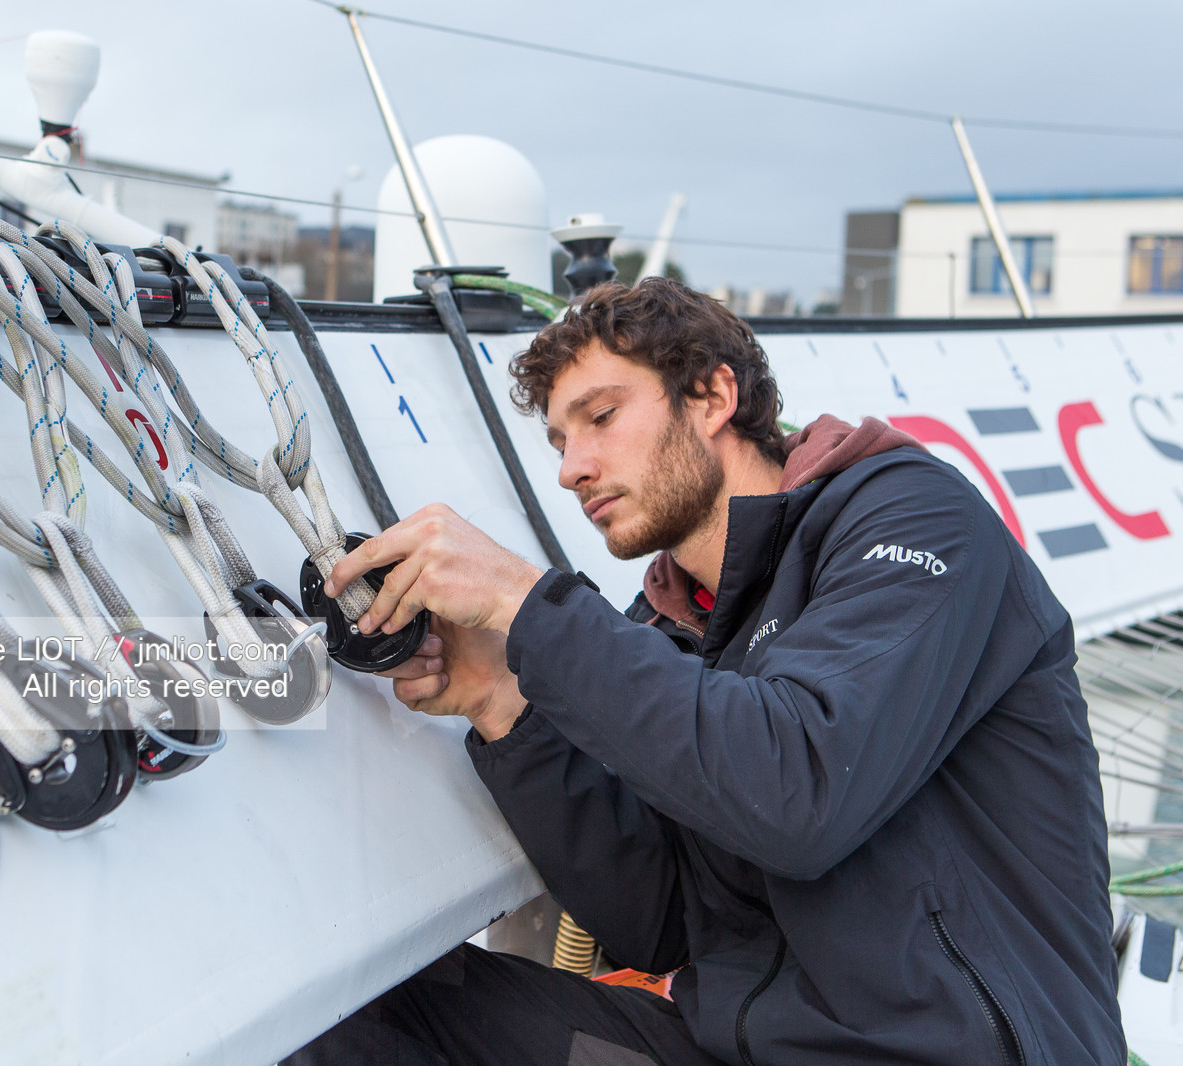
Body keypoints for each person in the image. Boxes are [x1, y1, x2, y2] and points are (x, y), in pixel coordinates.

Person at [287, 279, 1123, 1065]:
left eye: (601, 416)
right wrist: (501, 701)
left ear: (714, 397)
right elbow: (665, 920)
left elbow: (801, 791)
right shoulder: (662, 623)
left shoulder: (911, 519)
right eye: (559, 439)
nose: (570, 466)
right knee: (343, 1017)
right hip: (734, 1045)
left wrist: (523, 598)